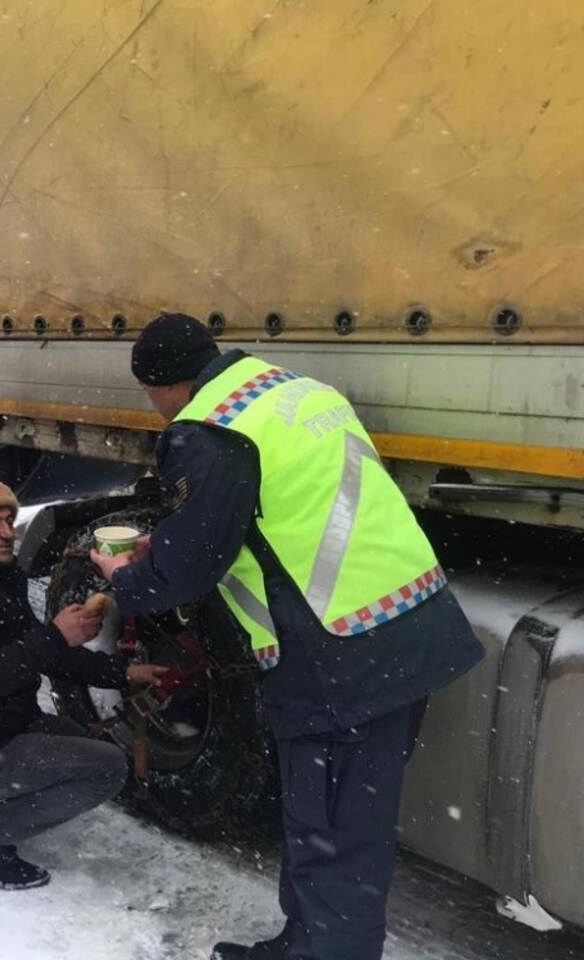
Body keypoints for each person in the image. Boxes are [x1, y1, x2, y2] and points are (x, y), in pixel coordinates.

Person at [89, 314, 485, 960]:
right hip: (401, 624)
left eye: (149, 395)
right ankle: (302, 943)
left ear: (162, 385)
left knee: (337, 834)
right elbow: (276, 511)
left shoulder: (210, 430)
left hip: (341, 652)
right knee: (323, 821)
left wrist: (128, 579)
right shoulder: (294, 390)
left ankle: (327, 950)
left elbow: (189, 570)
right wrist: (181, 538)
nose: (154, 409)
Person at [0, 476, 167, 890]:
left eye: (9, 521)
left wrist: (121, 673)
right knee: (106, 768)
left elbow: (50, 654)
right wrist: (53, 636)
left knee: (82, 741)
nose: (6, 533)